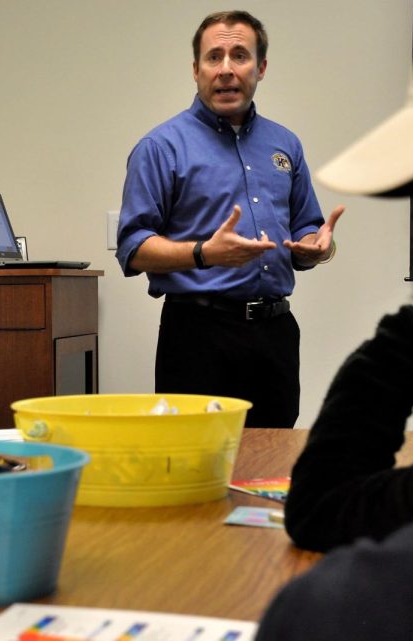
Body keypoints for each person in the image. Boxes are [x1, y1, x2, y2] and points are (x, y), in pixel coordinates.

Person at [255, 0, 413, 637]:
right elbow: (331, 513)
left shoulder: (284, 148)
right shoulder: (161, 146)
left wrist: (406, 335)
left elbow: (319, 614)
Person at [115, 10, 343, 428]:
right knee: (198, 469)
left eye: (239, 55)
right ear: (195, 69)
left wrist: (315, 248)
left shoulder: (285, 144)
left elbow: (305, 229)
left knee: (269, 466)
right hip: (198, 334)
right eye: (213, 57)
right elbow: (132, 247)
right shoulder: (161, 146)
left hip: (275, 334)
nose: (225, 70)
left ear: (261, 68)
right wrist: (204, 253)